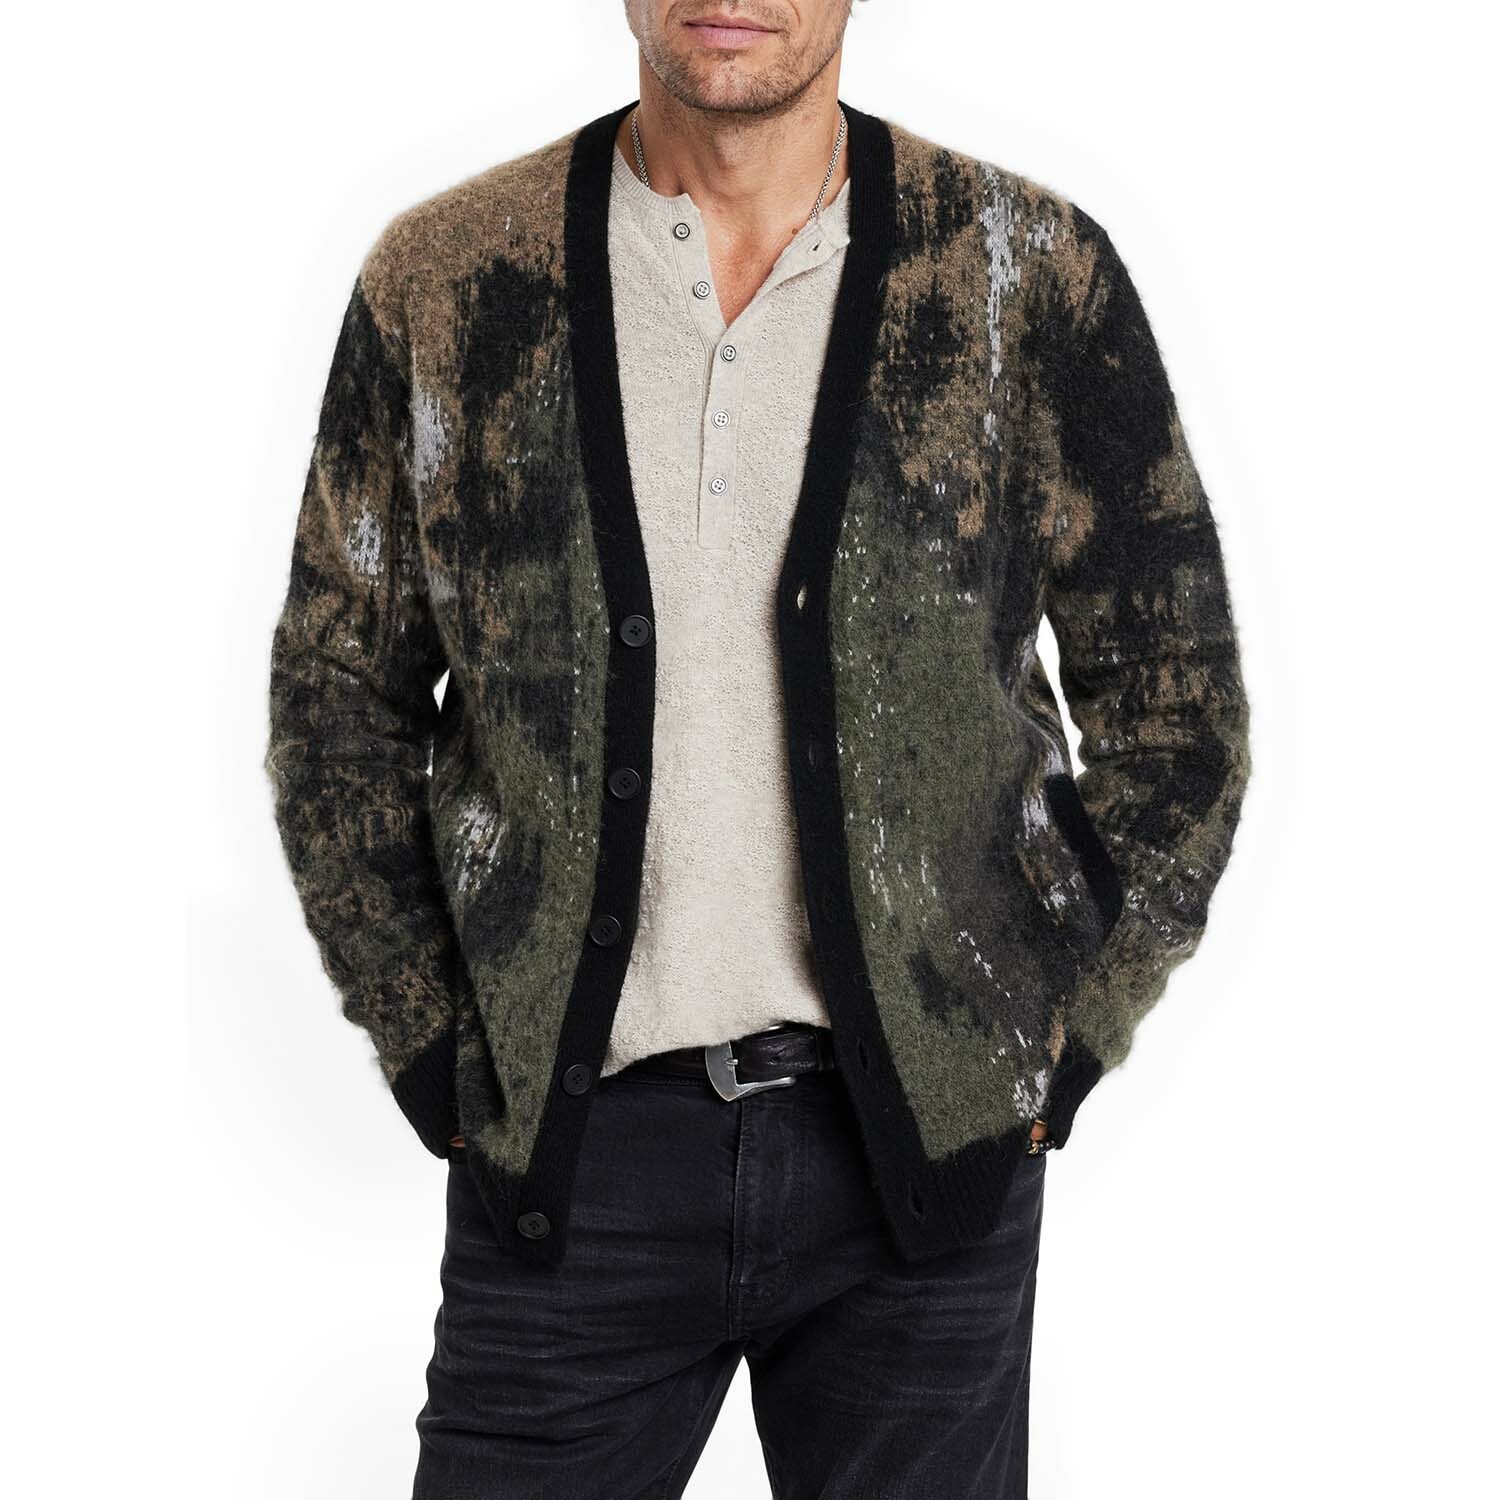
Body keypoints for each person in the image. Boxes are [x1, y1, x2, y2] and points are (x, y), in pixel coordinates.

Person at [264, 2, 1253, 1494]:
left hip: (923, 1162)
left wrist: (1063, 1030)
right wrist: (426, 1036)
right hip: (576, 1163)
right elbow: (338, 694)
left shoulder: (1025, 271)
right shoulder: (451, 279)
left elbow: (1177, 692)